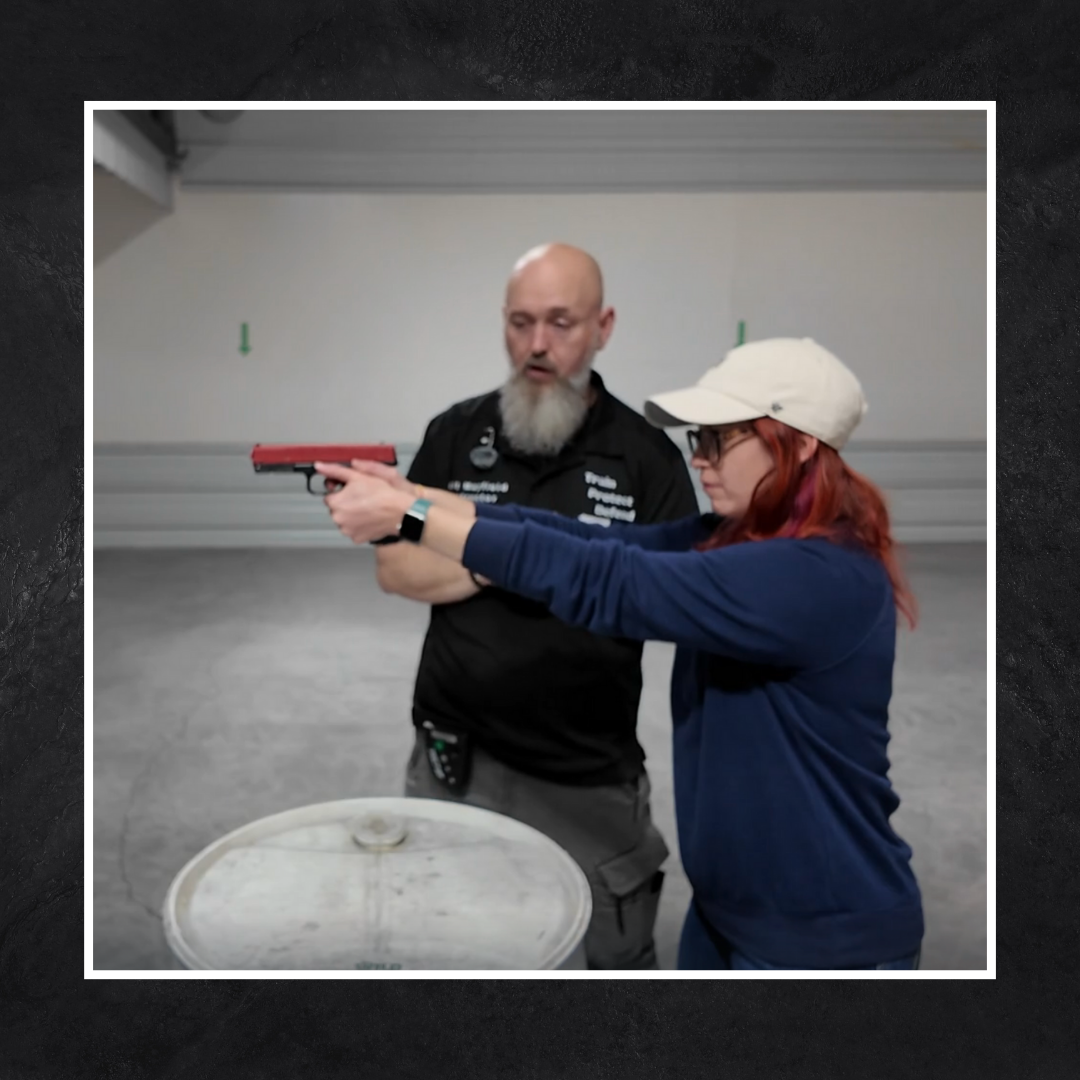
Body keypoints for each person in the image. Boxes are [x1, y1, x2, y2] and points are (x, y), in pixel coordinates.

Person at [318, 336, 925, 970]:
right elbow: (587, 540)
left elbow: (607, 582)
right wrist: (415, 495)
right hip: (727, 913)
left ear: (799, 445)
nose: (700, 459)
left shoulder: (818, 575)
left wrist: (411, 517)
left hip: (823, 938)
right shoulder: (733, 539)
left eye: (720, 439)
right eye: (697, 439)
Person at [363, 243, 700, 970]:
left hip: (585, 771)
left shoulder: (646, 459)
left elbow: (661, 599)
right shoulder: (456, 434)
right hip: (454, 759)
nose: (537, 344)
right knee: (450, 954)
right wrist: (515, 561)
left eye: (560, 322)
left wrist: (471, 544)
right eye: (520, 323)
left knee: (606, 969)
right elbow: (397, 564)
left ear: (603, 326)